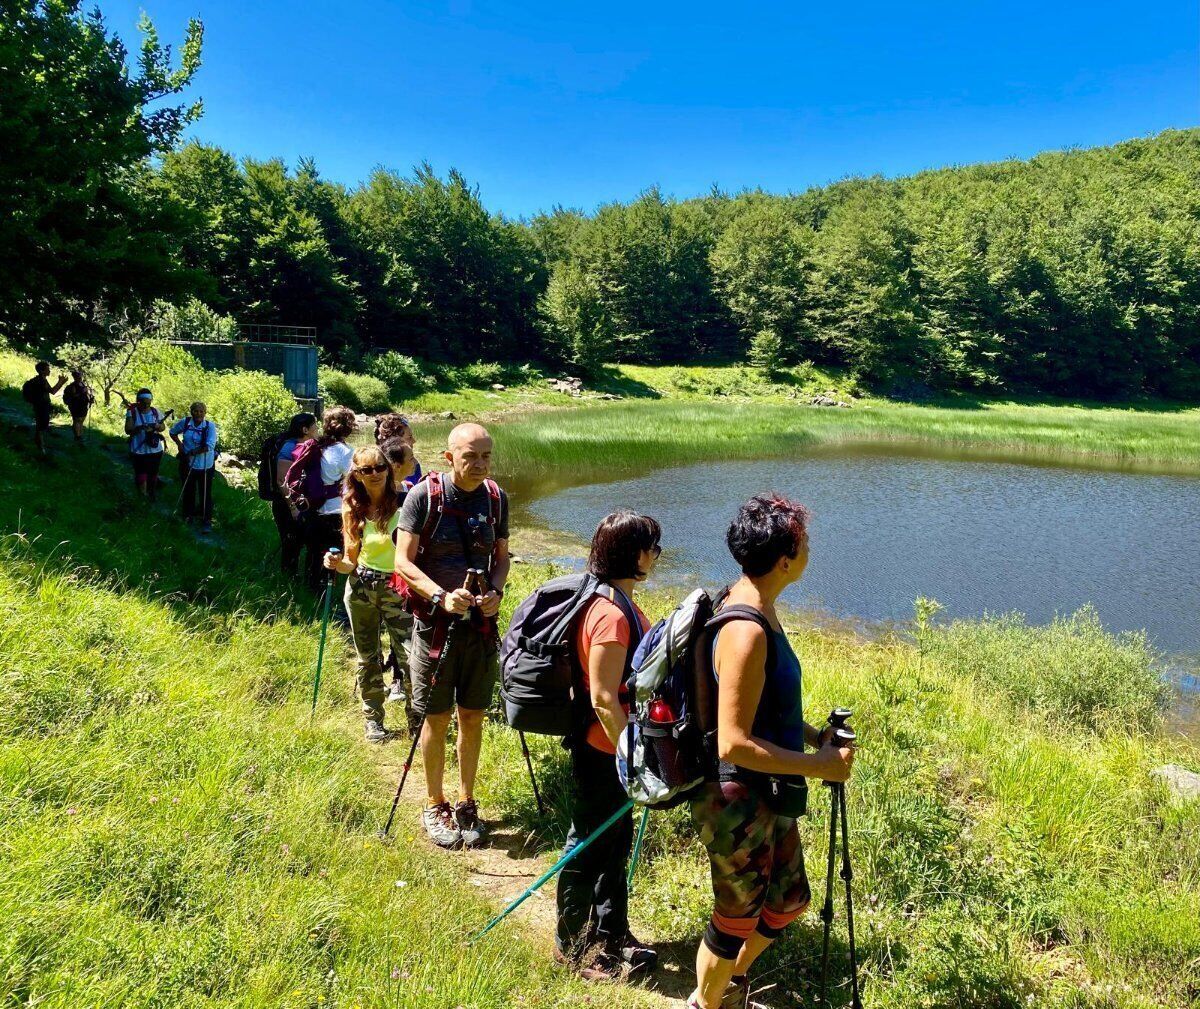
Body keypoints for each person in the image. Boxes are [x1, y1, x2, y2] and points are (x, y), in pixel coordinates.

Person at [686, 494, 855, 1009]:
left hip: (769, 788)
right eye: (804, 542)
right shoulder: (745, 630)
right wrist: (820, 765)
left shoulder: (762, 606)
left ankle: (727, 984)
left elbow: (763, 707)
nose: (810, 549)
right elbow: (733, 740)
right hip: (736, 797)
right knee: (735, 916)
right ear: (785, 559)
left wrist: (810, 737)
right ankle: (705, 1002)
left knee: (787, 901)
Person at [555, 511, 662, 982]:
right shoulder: (611, 614)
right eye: (652, 547)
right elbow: (602, 696)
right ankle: (572, 945)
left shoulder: (619, 600)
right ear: (632, 554)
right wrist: (630, 756)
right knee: (588, 844)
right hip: (604, 750)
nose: (657, 555)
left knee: (613, 843)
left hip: (614, 748)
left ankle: (612, 933)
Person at [395, 423, 510, 850]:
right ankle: (434, 802)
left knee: (473, 715)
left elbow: (501, 558)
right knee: (436, 717)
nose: (479, 464)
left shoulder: (496, 498)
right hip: (434, 627)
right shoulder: (423, 496)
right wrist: (441, 597)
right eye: (470, 456)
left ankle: (466, 800)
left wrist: (495, 592)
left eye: (485, 457)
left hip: (479, 627)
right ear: (449, 457)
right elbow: (403, 562)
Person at [323, 445, 412, 742]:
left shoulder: (406, 501)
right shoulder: (352, 507)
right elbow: (351, 561)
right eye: (366, 470)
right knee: (367, 658)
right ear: (357, 475)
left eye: (379, 468)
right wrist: (336, 563)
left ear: (388, 468)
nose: (374, 474)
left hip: (399, 588)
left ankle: (418, 720)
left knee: (411, 657)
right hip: (362, 586)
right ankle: (373, 721)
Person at [379, 437, 419, 711]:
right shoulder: (374, 495)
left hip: (402, 580)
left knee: (404, 639)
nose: (415, 461)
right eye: (410, 457)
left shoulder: (409, 491)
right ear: (395, 465)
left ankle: (399, 684)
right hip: (378, 576)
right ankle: (383, 690)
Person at [304, 407, 357, 593]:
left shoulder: (314, 446)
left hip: (311, 506)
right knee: (332, 554)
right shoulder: (345, 452)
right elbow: (353, 484)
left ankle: (310, 588)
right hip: (335, 510)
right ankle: (326, 593)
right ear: (348, 428)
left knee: (313, 552)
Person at [273, 413, 319, 576]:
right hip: (286, 505)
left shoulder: (310, 446)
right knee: (291, 543)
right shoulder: (290, 447)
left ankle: (301, 578)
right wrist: (293, 508)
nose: (317, 427)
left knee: (302, 541)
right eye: (314, 425)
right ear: (305, 429)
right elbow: (281, 481)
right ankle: (287, 580)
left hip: (301, 504)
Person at [170, 402, 219, 532]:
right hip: (187, 463)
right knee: (188, 490)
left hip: (205, 465)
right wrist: (180, 445)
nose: (198, 414)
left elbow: (210, 445)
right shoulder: (185, 423)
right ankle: (187, 515)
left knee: (205, 492)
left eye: (201, 411)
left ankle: (206, 519)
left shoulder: (210, 426)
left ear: (205, 413)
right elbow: (172, 432)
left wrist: (192, 452)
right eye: (196, 411)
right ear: (191, 412)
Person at [124, 388, 167, 501]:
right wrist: (140, 428)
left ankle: (151, 493)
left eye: (148, 402)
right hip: (138, 450)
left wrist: (157, 427)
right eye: (144, 402)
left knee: (153, 473)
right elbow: (128, 429)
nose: (146, 405)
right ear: (139, 401)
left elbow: (163, 427)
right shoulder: (132, 412)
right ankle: (142, 496)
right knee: (141, 474)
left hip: (155, 450)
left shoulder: (156, 412)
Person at [22, 362, 66, 455]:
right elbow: (53, 391)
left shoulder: (41, 380)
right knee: (41, 426)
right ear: (42, 371)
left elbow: (51, 391)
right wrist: (61, 382)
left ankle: (40, 445)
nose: (49, 371)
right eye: (47, 369)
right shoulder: (41, 381)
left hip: (40, 405)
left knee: (41, 425)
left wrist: (61, 382)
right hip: (41, 406)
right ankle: (40, 447)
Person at [376, 413, 422, 483]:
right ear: (394, 441)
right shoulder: (379, 470)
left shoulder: (413, 463)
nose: (414, 441)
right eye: (409, 437)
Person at [61, 369, 94, 443]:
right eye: (78, 375)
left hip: (83, 405)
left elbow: (86, 394)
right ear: (74, 376)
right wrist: (82, 392)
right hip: (76, 406)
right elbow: (73, 396)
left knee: (81, 421)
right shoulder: (73, 386)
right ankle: (77, 437)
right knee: (76, 420)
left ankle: (80, 436)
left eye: (80, 375)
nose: (80, 377)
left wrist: (90, 399)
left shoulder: (82, 384)